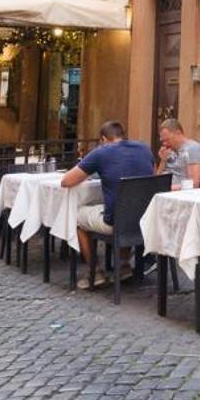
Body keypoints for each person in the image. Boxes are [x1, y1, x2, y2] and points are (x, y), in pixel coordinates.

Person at [61, 121, 158, 289]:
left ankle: (95, 273)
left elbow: (66, 181)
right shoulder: (144, 148)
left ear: (103, 139)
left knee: (77, 216)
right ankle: (124, 266)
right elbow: (153, 177)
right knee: (124, 206)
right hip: (145, 220)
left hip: (117, 223)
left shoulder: (101, 152)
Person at [156, 117, 200, 188]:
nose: (164, 144)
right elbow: (157, 179)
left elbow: (194, 184)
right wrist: (163, 160)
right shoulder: (169, 151)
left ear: (178, 133)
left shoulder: (192, 149)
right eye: (163, 141)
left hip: (175, 193)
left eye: (167, 140)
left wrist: (166, 188)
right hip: (160, 190)